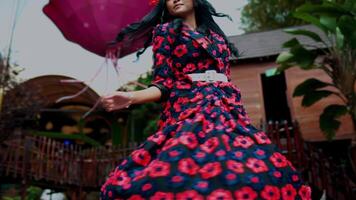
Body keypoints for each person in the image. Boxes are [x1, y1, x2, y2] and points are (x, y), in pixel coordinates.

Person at [100, 0, 312, 199]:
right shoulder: (164, 32)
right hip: (191, 108)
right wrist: (130, 97)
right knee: (185, 170)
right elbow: (164, 84)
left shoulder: (217, 38)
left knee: (252, 167)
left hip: (228, 110)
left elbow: (225, 77)